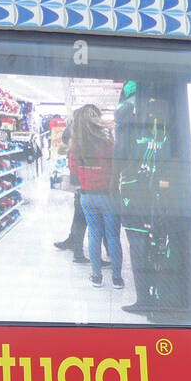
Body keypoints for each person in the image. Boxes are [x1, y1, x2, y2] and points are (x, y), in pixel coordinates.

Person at [69, 104, 123, 288]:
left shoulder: (75, 146)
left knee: (94, 235)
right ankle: (117, 278)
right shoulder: (107, 143)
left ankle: (96, 276)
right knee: (113, 237)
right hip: (108, 195)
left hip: (87, 196)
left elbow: (74, 170)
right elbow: (117, 166)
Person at [52, 126, 88, 263]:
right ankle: (75, 245)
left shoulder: (82, 142)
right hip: (82, 183)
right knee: (80, 216)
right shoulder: (78, 141)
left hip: (84, 183)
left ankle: (75, 247)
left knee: (80, 217)